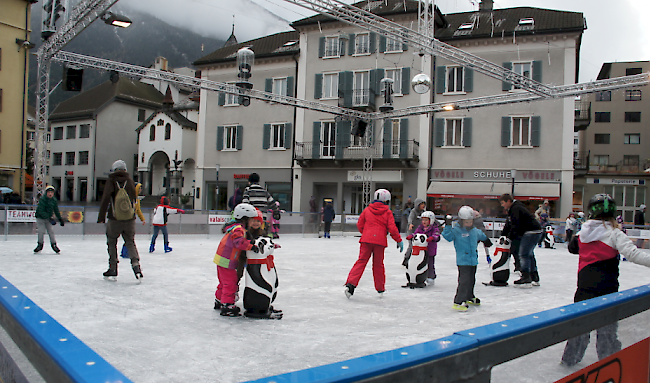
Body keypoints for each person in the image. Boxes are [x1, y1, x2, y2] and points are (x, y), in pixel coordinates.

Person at [561, 194, 650, 366]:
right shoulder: (614, 234)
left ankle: (569, 361)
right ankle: (611, 362)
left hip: (584, 289)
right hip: (607, 290)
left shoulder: (584, 232)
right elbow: (634, 254)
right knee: (607, 331)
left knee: (579, 329)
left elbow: (572, 248)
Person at [344, 189, 403, 298]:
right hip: (380, 242)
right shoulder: (387, 212)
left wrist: (366, 233)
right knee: (378, 265)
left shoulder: (367, 210)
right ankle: (380, 288)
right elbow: (392, 228)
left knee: (361, 262)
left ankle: (351, 285)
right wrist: (398, 240)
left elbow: (360, 224)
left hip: (366, 240)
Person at [97, 160, 142, 281]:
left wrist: (101, 216)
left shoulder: (111, 181)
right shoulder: (130, 181)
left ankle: (113, 268)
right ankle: (136, 266)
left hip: (115, 218)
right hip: (129, 219)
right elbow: (133, 199)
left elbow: (106, 198)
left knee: (111, 242)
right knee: (130, 242)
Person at [213, 203, 258, 317]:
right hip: (227, 260)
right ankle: (227, 305)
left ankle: (219, 300)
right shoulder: (239, 229)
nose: (251, 222)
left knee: (223, 283)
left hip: (221, 259)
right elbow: (238, 243)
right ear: (245, 219)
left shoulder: (235, 226)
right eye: (251, 220)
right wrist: (251, 246)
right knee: (230, 283)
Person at [441, 206, 488, 311]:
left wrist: (486, 240)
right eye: (466, 222)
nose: (469, 224)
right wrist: (448, 225)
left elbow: (480, 234)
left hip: (473, 260)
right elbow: (447, 236)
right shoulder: (457, 231)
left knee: (471, 280)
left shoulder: (474, 230)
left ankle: (469, 296)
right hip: (463, 261)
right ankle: (458, 301)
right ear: (461, 221)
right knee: (464, 281)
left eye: (470, 221)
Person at [500, 193, 543, 287]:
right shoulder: (514, 208)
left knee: (524, 254)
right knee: (529, 254)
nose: (502, 205)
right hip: (534, 231)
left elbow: (516, 225)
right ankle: (534, 277)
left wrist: (509, 238)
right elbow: (509, 224)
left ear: (508, 201)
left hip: (531, 231)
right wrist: (503, 235)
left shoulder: (515, 208)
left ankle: (526, 277)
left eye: (503, 203)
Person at [407, 211, 440, 285]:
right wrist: (412, 236)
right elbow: (416, 234)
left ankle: (431, 277)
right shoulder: (420, 227)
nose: (423, 222)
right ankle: (421, 276)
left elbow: (437, 235)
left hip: (430, 250)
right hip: (421, 250)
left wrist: (432, 237)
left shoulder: (434, 228)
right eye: (423, 220)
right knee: (422, 264)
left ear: (430, 220)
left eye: (426, 220)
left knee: (430, 264)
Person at [34, 185, 64, 254]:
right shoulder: (43, 199)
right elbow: (41, 211)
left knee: (51, 231)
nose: (50, 194)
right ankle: (40, 244)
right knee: (41, 231)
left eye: (52, 192)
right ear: (46, 193)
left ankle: (54, 245)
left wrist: (60, 219)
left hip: (48, 218)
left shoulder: (54, 200)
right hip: (40, 218)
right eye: (49, 192)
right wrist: (49, 218)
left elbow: (56, 210)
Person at [120, 182, 146, 258]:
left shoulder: (137, 199)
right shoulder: (129, 197)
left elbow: (138, 210)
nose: (140, 190)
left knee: (130, 237)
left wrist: (142, 219)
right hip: (126, 219)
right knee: (129, 237)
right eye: (139, 188)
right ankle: (125, 252)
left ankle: (125, 252)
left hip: (131, 220)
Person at [402, 198, 426, 267]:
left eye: (424, 204)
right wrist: (410, 223)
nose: (423, 206)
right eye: (421, 204)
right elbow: (410, 218)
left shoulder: (423, 212)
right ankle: (406, 259)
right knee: (411, 245)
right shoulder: (413, 211)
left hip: (419, 231)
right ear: (417, 205)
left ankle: (418, 260)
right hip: (411, 230)